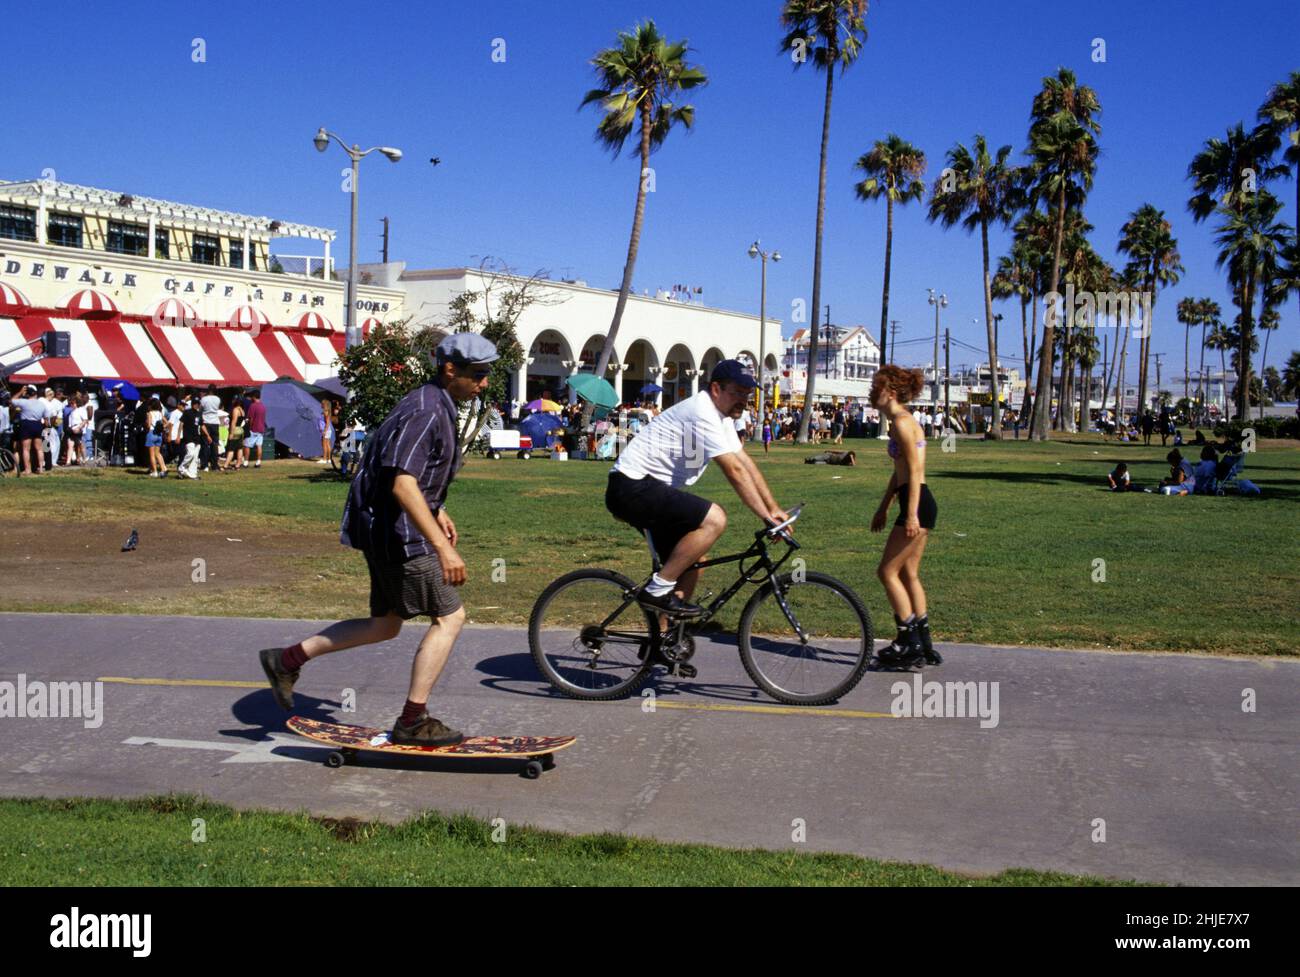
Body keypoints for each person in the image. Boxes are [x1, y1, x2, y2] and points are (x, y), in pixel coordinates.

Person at [258, 333, 500, 746]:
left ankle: (287, 659)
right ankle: (412, 719)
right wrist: (442, 548)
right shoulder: (427, 409)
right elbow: (402, 484)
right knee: (450, 618)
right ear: (449, 369)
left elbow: (402, 471)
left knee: (386, 624)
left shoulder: (429, 400)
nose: (485, 383)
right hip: (400, 536)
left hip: (386, 529)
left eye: (488, 374)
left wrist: (438, 509)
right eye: (478, 375)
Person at [605, 359, 790, 636]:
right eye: (737, 392)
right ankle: (657, 589)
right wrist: (764, 517)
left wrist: (774, 509)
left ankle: (663, 639)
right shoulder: (701, 411)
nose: (744, 399)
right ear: (716, 388)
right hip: (631, 487)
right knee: (714, 519)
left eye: (747, 394)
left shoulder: (722, 416)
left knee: (694, 563)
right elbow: (734, 470)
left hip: (648, 489)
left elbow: (745, 462)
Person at [870, 365, 941, 669]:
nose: (873, 391)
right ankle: (924, 644)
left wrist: (909, 514)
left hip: (918, 502)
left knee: (886, 572)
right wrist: (885, 506)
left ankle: (906, 641)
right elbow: (899, 473)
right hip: (918, 501)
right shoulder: (899, 421)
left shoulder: (901, 422)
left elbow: (913, 471)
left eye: (878, 386)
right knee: (908, 574)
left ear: (892, 392)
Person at [12, 385, 50, 475]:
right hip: (37, 424)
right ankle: (41, 468)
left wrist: (21, 392)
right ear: (36, 393)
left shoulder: (24, 402)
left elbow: (12, 400)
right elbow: (46, 419)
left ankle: (27, 469)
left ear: (27, 394)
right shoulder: (42, 404)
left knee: (26, 449)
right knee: (39, 448)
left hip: (26, 424)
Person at [177, 394, 204, 480]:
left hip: (197, 437)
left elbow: (202, 425)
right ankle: (181, 468)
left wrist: (207, 435)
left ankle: (193, 474)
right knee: (190, 454)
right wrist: (178, 436)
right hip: (188, 436)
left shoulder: (200, 414)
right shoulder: (187, 412)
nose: (196, 405)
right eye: (195, 403)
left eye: (198, 403)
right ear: (192, 404)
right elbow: (181, 424)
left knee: (195, 457)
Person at [220, 395, 246, 472]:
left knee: (231, 449)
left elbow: (234, 422)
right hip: (241, 430)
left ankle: (225, 465)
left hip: (235, 431)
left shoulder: (235, 410)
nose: (232, 401)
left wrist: (231, 433)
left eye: (234, 400)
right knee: (239, 448)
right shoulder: (242, 410)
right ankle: (238, 465)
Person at [199, 384, 222, 471]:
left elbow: (201, 409)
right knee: (214, 444)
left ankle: (204, 465)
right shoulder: (218, 399)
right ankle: (214, 465)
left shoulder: (204, 399)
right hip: (215, 422)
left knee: (205, 444)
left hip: (206, 422)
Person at [144, 396, 167, 477]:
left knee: (152, 455)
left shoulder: (149, 413)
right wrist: (163, 427)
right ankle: (164, 468)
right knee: (158, 453)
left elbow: (149, 425)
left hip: (151, 433)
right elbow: (166, 422)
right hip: (159, 434)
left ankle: (154, 471)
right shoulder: (160, 413)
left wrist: (146, 422)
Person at [245, 388, 268, 467]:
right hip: (261, 429)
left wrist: (249, 427)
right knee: (259, 446)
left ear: (254, 397)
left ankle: (246, 462)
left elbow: (251, 418)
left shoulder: (253, 406)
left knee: (247, 445)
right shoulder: (263, 406)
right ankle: (258, 462)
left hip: (253, 428)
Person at [318, 397, 335, 465]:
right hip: (328, 430)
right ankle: (329, 459)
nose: (321, 405)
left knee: (324, 444)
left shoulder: (325, 412)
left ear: (325, 404)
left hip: (326, 430)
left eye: (322, 403)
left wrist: (324, 430)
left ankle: (324, 459)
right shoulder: (327, 412)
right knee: (327, 444)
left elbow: (327, 422)